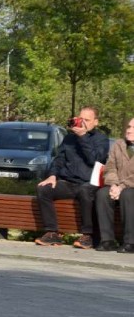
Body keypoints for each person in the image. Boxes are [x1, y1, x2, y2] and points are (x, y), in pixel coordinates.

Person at [35, 106, 109, 249]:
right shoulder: (69, 138)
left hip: (89, 183)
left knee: (85, 191)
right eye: (80, 119)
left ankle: (88, 235)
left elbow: (95, 160)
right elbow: (59, 159)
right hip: (69, 183)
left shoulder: (101, 139)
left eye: (87, 120)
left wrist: (83, 137)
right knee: (43, 189)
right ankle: (52, 232)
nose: (82, 123)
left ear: (96, 122)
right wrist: (52, 175)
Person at [95, 118, 134, 253]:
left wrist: (122, 186)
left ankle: (130, 242)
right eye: (129, 126)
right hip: (117, 186)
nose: (129, 130)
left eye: (133, 128)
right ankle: (107, 240)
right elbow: (110, 167)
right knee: (102, 194)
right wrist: (113, 184)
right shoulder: (118, 144)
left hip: (130, 188)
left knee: (128, 194)